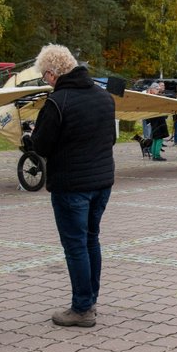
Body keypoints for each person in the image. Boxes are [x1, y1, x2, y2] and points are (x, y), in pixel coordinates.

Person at [30, 44, 116, 328]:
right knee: (91, 240)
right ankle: (90, 299)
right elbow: (111, 139)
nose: (46, 81)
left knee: (76, 246)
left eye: (45, 76)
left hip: (71, 185)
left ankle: (81, 307)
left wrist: (34, 135)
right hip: (102, 182)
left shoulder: (57, 102)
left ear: (52, 73)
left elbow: (41, 146)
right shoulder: (104, 97)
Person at [144, 83, 170, 161]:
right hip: (157, 120)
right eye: (157, 89)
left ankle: (154, 155)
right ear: (152, 89)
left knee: (156, 138)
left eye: (158, 89)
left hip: (156, 119)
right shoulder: (151, 97)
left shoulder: (151, 97)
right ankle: (157, 155)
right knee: (159, 138)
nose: (158, 90)